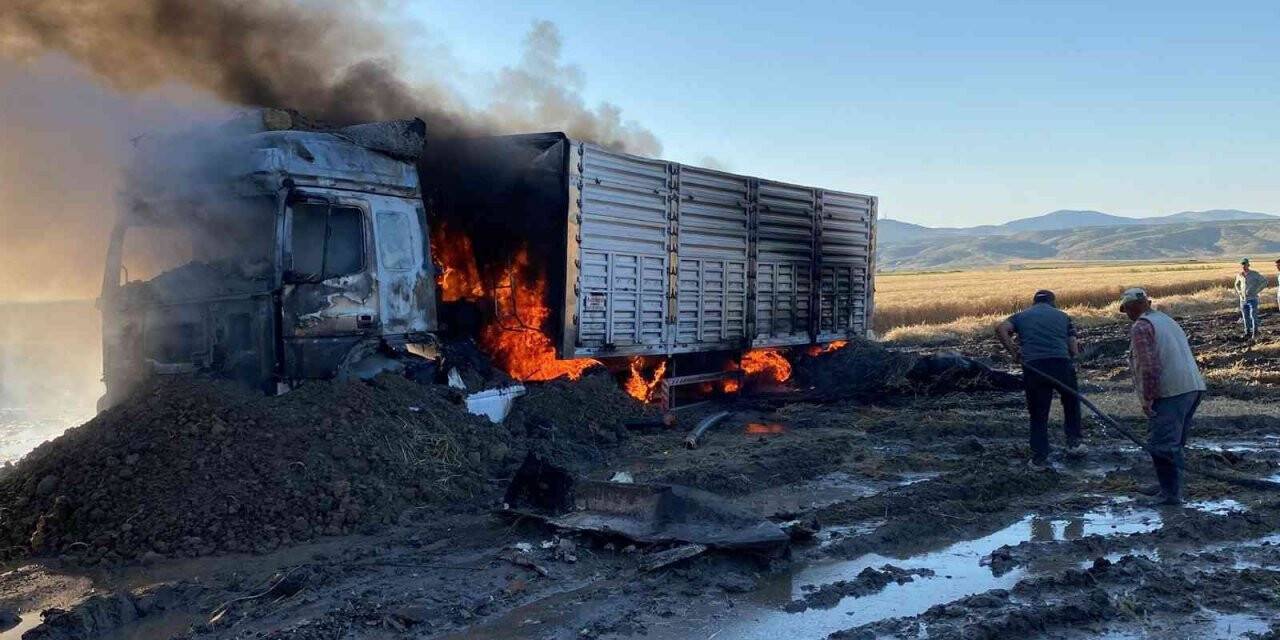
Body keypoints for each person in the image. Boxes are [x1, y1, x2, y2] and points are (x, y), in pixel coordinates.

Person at [1119, 288, 1207, 506]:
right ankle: (1168, 487)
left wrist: (1148, 398)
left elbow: (1148, 367)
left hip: (1171, 390)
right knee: (1174, 444)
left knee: (1163, 445)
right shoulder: (1165, 320)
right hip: (1192, 387)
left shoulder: (1141, 326)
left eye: (1127, 309)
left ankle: (1170, 494)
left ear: (1133, 307)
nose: (1127, 314)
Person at [996, 290, 1083, 469]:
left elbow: (1001, 329)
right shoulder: (1063, 317)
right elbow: (1073, 348)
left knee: (1038, 414)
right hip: (1061, 365)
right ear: (1052, 302)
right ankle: (1074, 444)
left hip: (1034, 368)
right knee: (1071, 403)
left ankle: (1039, 458)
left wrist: (1013, 352)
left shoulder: (1020, 316)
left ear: (1034, 303)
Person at [1234, 258, 1267, 340]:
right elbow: (1236, 284)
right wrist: (1239, 292)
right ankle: (1247, 332)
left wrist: (1257, 290)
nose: (1243, 266)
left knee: (1253, 316)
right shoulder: (1239, 275)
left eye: (1245, 264)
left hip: (1252, 299)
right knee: (1245, 317)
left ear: (1248, 265)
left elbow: (1264, 281)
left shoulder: (1254, 274)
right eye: (1242, 264)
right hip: (1243, 300)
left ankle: (1255, 333)